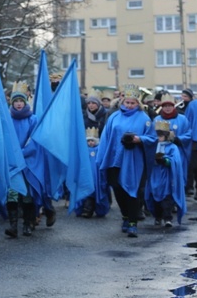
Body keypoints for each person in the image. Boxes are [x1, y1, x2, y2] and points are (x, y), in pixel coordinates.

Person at [96, 84, 156, 237]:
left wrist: (138, 139)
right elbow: (105, 137)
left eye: (133, 103)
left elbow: (152, 138)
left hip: (134, 161)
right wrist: (102, 156)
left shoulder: (144, 119)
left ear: (138, 103)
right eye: (127, 102)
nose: (129, 105)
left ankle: (132, 222)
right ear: (122, 101)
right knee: (118, 190)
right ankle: (124, 216)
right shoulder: (114, 117)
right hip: (115, 159)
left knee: (132, 190)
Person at [6, 81, 41, 237]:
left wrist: (22, 152)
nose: (19, 104)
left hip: (28, 161)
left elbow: (35, 140)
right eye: (16, 101)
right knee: (12, 193)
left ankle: (28, 223)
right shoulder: (7, 120)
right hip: (12, 162)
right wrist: (12, 154)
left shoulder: (33, 119)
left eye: (21, 101)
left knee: (27, 194)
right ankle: (13, 226)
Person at [145, 120, 186, 227]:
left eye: (161, 136)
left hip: (167, 177)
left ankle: (168, 218)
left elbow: (176, 161)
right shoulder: (152, 146)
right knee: (154, 198)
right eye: (157, 136)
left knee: (167, 198)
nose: (158, 138)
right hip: (154, 176)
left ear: (166, 136)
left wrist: (165, 161)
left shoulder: (172, 147)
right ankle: (158, 217)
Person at [154, 92, 192, 193]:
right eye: (165, 106)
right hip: (161, 151)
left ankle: (176, 196)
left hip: (178, 151)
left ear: (173, 106)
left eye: (169, 106)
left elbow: (188, 134)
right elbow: (152, 135)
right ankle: (164, 196)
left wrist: (177, 139)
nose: (167, 108)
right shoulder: (157, 119)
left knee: (177, 174)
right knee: (162, 173)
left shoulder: (182, 119)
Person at [75, 127, 109, 218]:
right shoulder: (84, 150)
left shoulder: (99, 150)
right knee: (87, 193)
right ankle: (86, 209)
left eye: (92, 141)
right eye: (89, 141)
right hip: (87, 176)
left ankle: (97, 209)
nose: (91, 142)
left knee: (96, 191)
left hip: (96, 176)